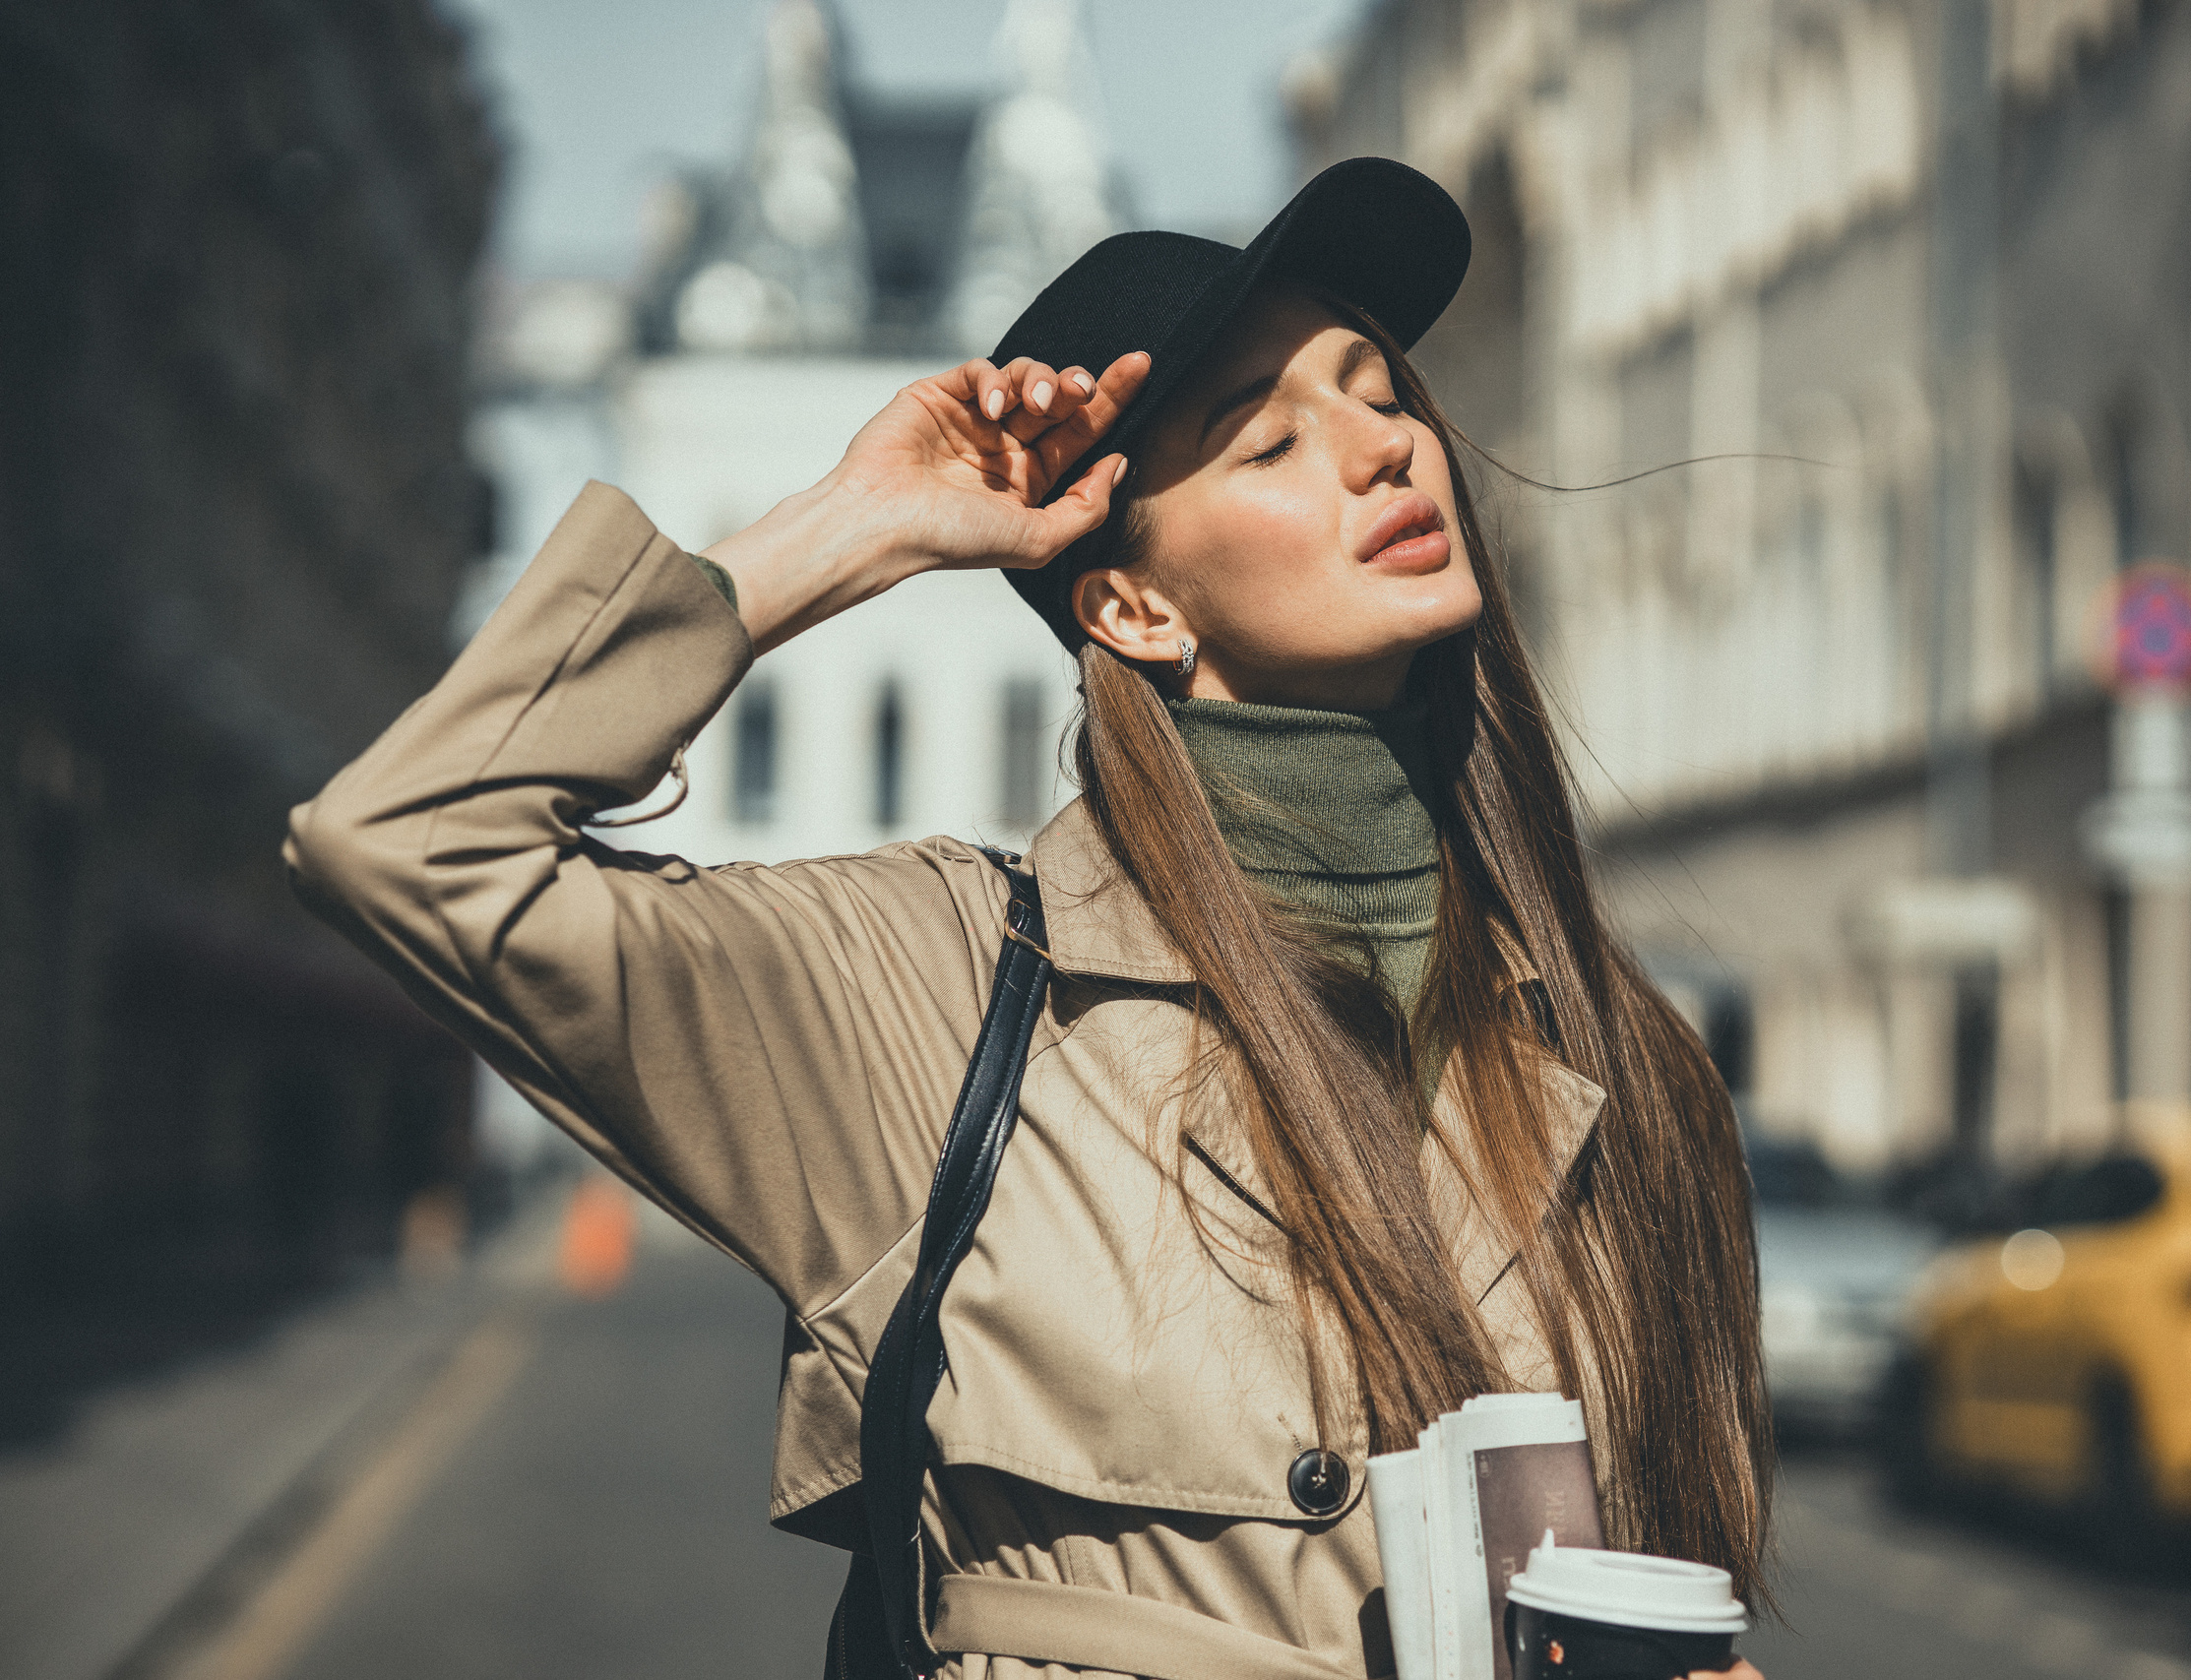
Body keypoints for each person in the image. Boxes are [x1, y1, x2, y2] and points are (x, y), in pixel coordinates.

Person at [286, 158, 1770, 1680]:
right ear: (1135, 612)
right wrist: (852, 528)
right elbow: (409, 842)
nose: (1381, 446)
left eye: (1380, 391)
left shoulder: (1625, 1064)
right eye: (1270, 439)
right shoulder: (939, 996)